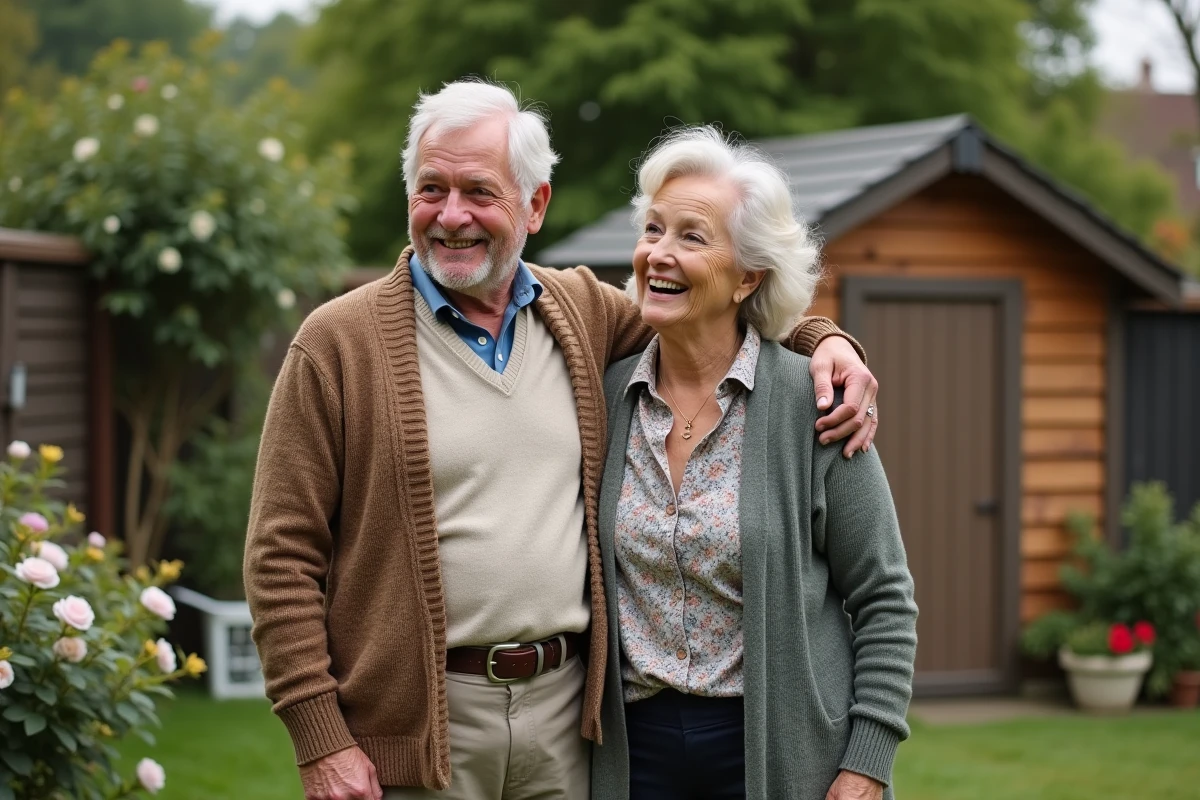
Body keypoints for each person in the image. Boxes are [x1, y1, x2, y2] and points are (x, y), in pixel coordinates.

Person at [244, 81, 882, 800]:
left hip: (568, 727)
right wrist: (319, 737)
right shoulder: (336, 345)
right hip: (419, 731)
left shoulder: (581, 315)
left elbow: (713, 317)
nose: (451, 216)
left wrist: (825, 342)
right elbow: (280, 557)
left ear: (535, 205)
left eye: (480, 192)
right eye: (431, 189)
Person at [591, 126, 918, 800]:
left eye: (691, 236)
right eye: (654, 229)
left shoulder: (814, 404)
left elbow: (885, 598)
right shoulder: (604, 395)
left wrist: (867, 761)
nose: (659, 253)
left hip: (781, 748)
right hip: (636, 752)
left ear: (747, 276)